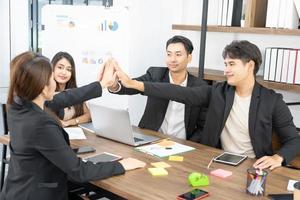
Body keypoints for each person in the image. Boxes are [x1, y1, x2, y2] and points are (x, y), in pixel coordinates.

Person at [114, 40, 300, 170]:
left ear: (250, 66)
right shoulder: (217, 92)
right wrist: (134, 84)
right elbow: (179, 92)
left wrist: (278, 157)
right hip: (214, 162)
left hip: (251, 166)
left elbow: (294, 139)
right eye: (225, 64)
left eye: (231, 64)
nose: (226, 70)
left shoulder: (272, 100)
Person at [0, 51, 145, 200]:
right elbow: (78, 171)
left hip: (18, 189)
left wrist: (102, 84)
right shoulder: (41, 124)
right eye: (52, 78)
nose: (55, 84)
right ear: (43, 88)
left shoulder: (18, 104)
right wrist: (122, 165)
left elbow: (66, 97)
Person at [108, 35, 207, 141]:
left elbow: (202, 127)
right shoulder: (155, 74)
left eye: (178, 55)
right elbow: (132, 86)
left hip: (182, 143)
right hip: (151, 138)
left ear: (189, 57)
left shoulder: (200, 87)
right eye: (169, 54)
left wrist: (190, 145)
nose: (172, 59)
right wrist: (115, 86)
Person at [52, 52, 91, 127]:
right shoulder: (46, 92)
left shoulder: (75, 91)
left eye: (68, 69)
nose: (64, 72)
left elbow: (89, 116)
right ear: (52, 68)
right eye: (60, 67)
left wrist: (69, 122)